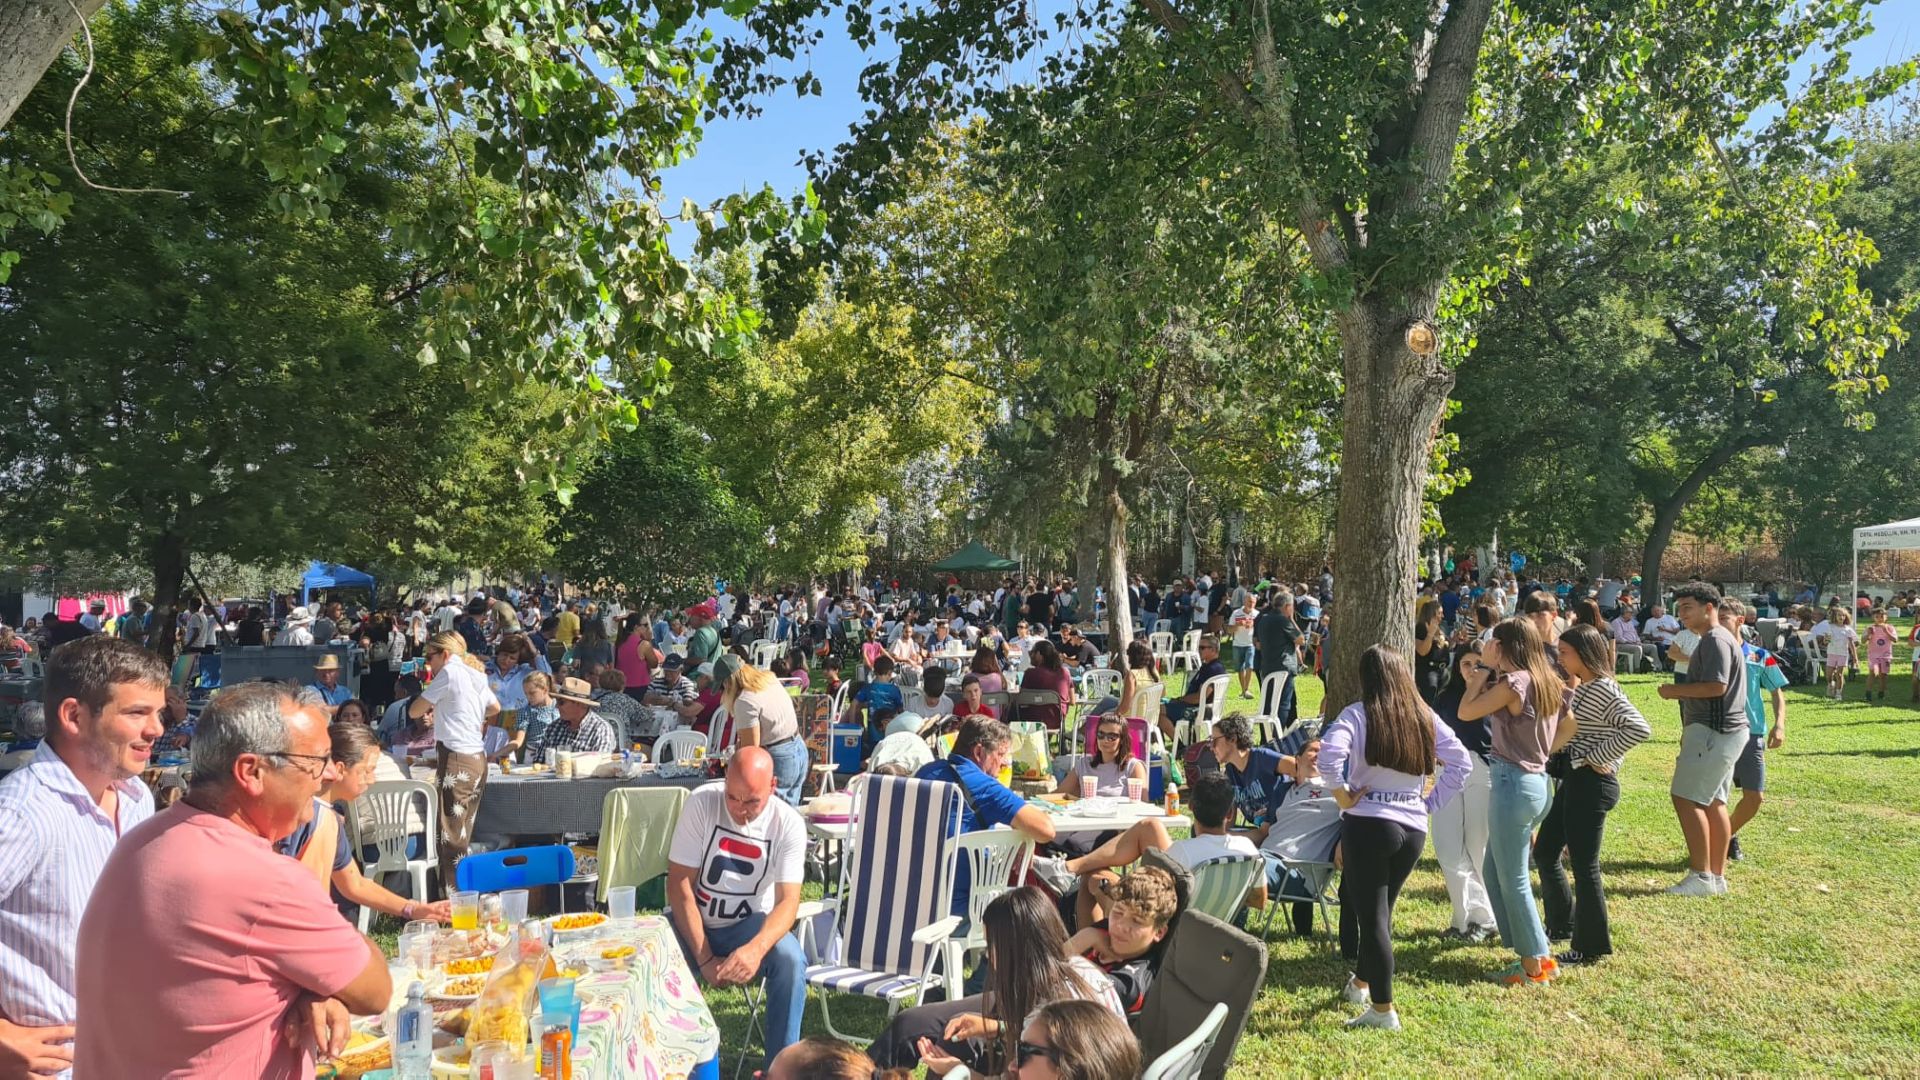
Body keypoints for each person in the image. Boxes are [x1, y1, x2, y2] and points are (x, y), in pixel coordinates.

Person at [73, 682, 392, 1076]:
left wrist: (306, 985)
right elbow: (375, 990)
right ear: (251, 772)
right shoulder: (266, 880)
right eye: (316, 760)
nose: (327, 774)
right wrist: (320, 971)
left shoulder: (141, 841)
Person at [0, 637, 168, 1077]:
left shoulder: (136, 798)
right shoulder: (21, 814)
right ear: (74, 716)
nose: (156, 729)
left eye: (159, 713)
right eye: (137, 713)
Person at [1320, 645, 1471, 1028]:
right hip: (1412, 828)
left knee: (1373, 920)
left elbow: (1328, 756)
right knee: (1380, 913)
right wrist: (1430, 803)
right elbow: (1461, 762)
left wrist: (1342, 795)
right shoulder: (1424, 715)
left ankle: (1383, 1009)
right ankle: (1361, 982)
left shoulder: (1357, 714)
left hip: (1369, 824)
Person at [868, 887, 1122, 1073]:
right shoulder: (1076, 968)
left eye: (992, 945)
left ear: (1016, 949)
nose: (989, 955)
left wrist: (958, 1072)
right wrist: (997, 1028)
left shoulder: (1051, 1013)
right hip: (1026, 1011)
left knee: (952, 1047)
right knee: (916, 1023)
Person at [666, 747, 807, 1070]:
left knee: (790, 959)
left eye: (752, 802)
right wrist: (704, 958)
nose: (740, 809)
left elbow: (788, 901)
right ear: (724, 780)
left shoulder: (788, 824)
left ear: (773, 786)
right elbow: (679, 884)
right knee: (651, 954)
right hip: (692, 921)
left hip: (747, 925)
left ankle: (781, 1070)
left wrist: (756, 949)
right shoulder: (702, 802)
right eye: (732, 797)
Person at [1456, 617, 1574, 985]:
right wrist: (1541, 753)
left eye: (1493, 644)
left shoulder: (1514, 682)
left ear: (1503, 647)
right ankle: (1525, 946)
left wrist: (1484, 668)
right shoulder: (1547, 679)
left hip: (1513, 785)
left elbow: (1466, 711)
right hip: (1537, 784)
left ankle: (1534, 962)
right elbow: (1570, 724)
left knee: (1514, 879)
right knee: (1494, 871)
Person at [1536, 625, 1650, 967]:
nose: (1559, 658)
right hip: (1576, 780)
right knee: (1545, 851)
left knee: (1585, 867)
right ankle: (1561, 924)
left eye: (1565, 652)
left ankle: (1589, 947)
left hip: (1591, 784)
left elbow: (1638, 727)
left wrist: (1598, 757)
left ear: (1584, 654)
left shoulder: (1601, 687)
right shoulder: (1585, 686)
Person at [279, 721, 453, 924]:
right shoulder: (304, 816)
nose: (371, 780)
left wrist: (414, 909)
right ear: (340, 769)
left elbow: (355, 884)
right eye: (367, 771)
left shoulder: (330, 819)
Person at [1656, 582, 1748, 897]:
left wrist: (1674, 690)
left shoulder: (1714, 640)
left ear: (1709, 608)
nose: (1681, 614)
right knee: (1714, 802)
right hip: (1725, 732)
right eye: (1679, 608)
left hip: (1713, 731)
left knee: (1686, 798)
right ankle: (1716, 877)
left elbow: (1715, 686)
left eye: (1688, 607)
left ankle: (1702, 876)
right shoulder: (1718, 638)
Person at [916, 717, 1057, 916]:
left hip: (913, 902)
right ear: (979, 752)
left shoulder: (925, 773)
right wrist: (1022, 834)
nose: (1005, 762)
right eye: (1000, 754)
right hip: (963, 910)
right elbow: (1046, 830)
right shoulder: (984, 787)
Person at [410, 631, 500, 884]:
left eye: (430, 657)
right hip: (477, 758)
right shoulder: (477, 675)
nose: (429, 664)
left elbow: (415, 710)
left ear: (445, 654)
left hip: (456, 757)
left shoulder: (449, 672)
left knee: (450, 837)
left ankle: (454, 896)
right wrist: (467, 714)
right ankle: (464, 891)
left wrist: (440, 706)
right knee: (463, 832)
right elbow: (495, 707)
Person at [1429, 644, 1496, 942]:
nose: (1472, 669)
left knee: (1477, 847)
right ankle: (1464, 917)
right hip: (1448, 772)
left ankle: (1483, 919)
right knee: (1447, 847)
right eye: (1466, 663)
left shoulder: (1496, 695)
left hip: (1483, 771)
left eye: (1478, 664)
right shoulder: (1445, 698)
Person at [1063, 865, 1178, 1015]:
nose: (1121, 926)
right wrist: (1090, 935)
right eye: (1118, 912)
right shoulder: (1105, 931)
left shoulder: (1131, 981)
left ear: (1159, 932)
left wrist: (1086, 938)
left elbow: (1068, 993)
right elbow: (1052, 961)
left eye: (1137, 921)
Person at [1723, 600, 1787, 865]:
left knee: (1754, 797)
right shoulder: (1710, 653)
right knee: (1715, 796)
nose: (1717, 624)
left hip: (1752, 733)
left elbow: (1776, 692)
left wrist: (1779, 724)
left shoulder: (1760, 655)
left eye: (1724, 618)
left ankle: (1726, 835)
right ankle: (1716, 841)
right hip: (1718, 733)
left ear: (1740, 621)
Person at [715, 653, 807, 806]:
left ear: (728, 683)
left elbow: (750, 751)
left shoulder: (744, 701)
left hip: (779, 757)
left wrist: (732, 766)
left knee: (772, 813)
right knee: (789, 812)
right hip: (798, 747)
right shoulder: (769, 679)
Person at [1207, 714, 1292, 840]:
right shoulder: (1230, 772)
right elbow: (1229, 820)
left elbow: (1298, 767)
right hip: (1260, 832)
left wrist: (1278, 806)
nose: (1211, 747)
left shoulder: (1262, 758)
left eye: (1214, 741)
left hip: (1280, 830)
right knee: (1203, 832)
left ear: (1233, 739)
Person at [530, 676, 618, 755]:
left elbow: (601, 764)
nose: (557, 706)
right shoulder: (554, 728)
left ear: (580, 704)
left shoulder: (600, 730)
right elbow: (539, 762)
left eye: (561, 702)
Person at [1161, 635, 1225, 740]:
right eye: (1198, 647)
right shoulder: (1217, 667)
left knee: (1158, 710)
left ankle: (1179, 745)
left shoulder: (1212, 669)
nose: (1199, 650)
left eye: (1202, 648)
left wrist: (1180, 699)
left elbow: (1199, 698)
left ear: (1213, 650)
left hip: (1199, 710)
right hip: (1207, 708)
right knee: (1161, 708)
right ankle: (1179, 743)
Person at [1016, 640, 1074, 730]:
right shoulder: (1065, 673)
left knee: (1012, 709)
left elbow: (1022, 699)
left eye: (1032, 652)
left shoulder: (1030, 673)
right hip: (1057, 720)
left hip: (1032, 722)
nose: (1030, 656)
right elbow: (1072, 701)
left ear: (1039, 654)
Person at [1229, 592, 1259, 697]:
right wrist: (1237, 625)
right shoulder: (1236, 613)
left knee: (1249, 666)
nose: (1251, 604)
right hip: (1237, 644)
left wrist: (1253, 624)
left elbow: (1261, 629)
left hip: (1250, 644)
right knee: (1240, 668)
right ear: (1244, 602)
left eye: (1253, 602)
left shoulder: (1257, 614)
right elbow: (1229, 630)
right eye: (1249, 601)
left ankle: (1246, 690)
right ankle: (1243, 690)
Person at [1864, 607, 1897, 701]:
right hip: (1873, 655)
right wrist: (1868, 634)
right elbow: (1863, 641)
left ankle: (1881, 693)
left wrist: (1886, 631)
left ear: (1886, 617)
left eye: (1882, 616)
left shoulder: (1890, 627)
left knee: (1883, 675)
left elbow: (1895, 639)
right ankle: (1868, 694)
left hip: (1886, 655)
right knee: (1873, 672)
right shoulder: (1870, 628)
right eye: (1877, 617)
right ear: (1873, 617)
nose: (1879, 619)